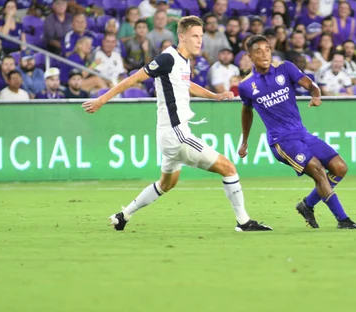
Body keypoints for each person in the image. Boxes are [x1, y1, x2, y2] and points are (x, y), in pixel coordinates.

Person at [82, 16, 271, 232]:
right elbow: (134, 78)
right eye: (195, 36)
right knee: (228, 168)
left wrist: (214, 96)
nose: (199, 41)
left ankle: (123, 215)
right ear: (182, 37)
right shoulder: (167, 58)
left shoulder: (182, 61)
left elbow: (186, 85)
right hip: (176, 135)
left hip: (170, 135)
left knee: (166, 184)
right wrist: (102, 99)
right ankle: (244, 222)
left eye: (201, 36)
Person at [238, 35, 356, 229]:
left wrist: (316, 95)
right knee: (318, 170)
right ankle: (343, 220)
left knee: (340, 168)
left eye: (267, 49)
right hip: (281, 141)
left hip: (301, 133)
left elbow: (310, 84)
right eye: (258, 51)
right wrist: (244, 141)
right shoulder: (246, 85)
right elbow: (246, 110)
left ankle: (307, 205)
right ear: (250, 56)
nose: (265, 54)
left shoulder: (285, 68)